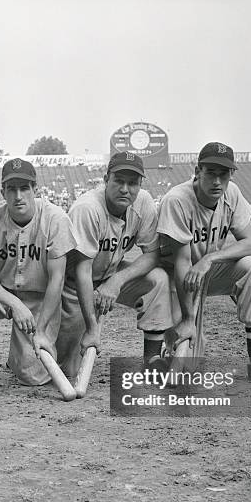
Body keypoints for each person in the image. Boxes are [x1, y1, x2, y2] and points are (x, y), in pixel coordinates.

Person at [153, 142, 251, 383]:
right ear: (197, 172)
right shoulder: (176, 200)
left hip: (207, 269)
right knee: (188, 367)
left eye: (224, 174)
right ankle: (164, 354)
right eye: (211, 173)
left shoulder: (232, 194)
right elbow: (183, 261)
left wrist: (210, 259)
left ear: (231, 175)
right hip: (174, 275)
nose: (217, 181)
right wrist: (188, 320)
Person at [0, 158, 76, 398]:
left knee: (33, 378)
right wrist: (14, 304)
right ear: (2, 192)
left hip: (40, 297)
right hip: (1, 292)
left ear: (36, 189)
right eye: (11, 189)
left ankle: (20, 358)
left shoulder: (55, 218)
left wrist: (41, 330)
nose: (18, 195)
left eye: (24, 188)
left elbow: (58, 279)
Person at [56, 151, 167, 378]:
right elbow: (82, 270)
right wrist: (92, 328)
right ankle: (27, 350)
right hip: (73, 286)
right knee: (68, 370)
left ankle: (153, 359)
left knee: (159, 279)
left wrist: (117, 281)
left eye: (132, 183)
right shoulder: (87, 208)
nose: (125, 189)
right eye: (119, 181)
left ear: (140, 185)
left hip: (111, 274)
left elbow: (152, 255)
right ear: (106, 180)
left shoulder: (143, 202)